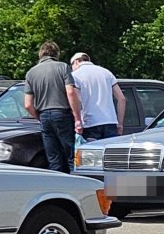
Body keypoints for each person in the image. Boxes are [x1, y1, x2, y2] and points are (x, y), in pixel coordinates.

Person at [23, 40, 81, 173]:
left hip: (44, 116)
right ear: (56, 54)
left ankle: (58, 184)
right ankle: (76, 183)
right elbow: (71, 92)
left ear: (40, 54)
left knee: (53, 157)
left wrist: (39, 117)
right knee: (71, 154)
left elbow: (27, 104)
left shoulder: (31, 73)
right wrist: (77, 117)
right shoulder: (63, 67)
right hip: (62, 114)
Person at [69, 51, 126, 141]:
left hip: (90, 124)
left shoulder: (75, 75)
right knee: (110, 154)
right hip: (110, 122)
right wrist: (120, 124)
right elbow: (121, 98)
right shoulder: (106, 72)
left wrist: (78, 121)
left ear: (76, 62)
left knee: (92, 154)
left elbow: (77, 101)